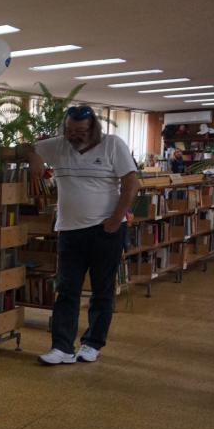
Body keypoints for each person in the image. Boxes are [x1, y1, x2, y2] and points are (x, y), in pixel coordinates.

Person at [25, 105, 141, 365]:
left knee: (102, 291)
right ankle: (62, 347)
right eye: (69, 130)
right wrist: (32, 155)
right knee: (67, 290)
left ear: (93, 129)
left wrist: (115, 219)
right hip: (69, 231)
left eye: (80, 131)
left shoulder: (112, 145)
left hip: (106, 230)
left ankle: (92, 343)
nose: (73, 135)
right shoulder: (59, 145)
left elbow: (132, 183)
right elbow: (27, 146)